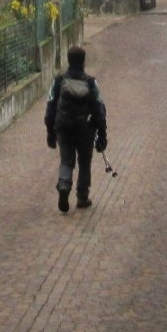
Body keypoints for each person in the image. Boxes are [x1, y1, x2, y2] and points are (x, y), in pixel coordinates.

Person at [44, 45, 107, 213]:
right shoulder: (91, 82)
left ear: (68, 60)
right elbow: (99, 110)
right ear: (83, 61)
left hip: (63, 126)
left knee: (66, 160)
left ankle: (64, 184)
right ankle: (82, 197)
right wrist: (102, 134)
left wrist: (50, 131)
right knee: (84, 163)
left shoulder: (59, 81)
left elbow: (50, 106)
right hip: (85, 129)